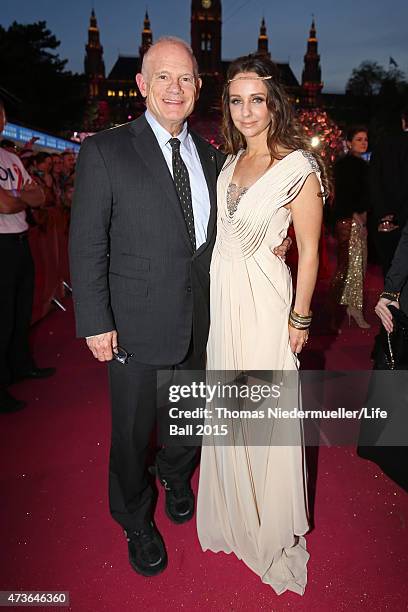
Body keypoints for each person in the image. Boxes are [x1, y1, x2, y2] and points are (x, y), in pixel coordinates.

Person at [196, 54, 326, 595]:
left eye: (256, 99)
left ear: (274, 102)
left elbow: (312, 253)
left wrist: (300, 318)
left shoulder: (298, 166)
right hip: (225, 299)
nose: (246, 111)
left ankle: (268, 524)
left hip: (268, 302)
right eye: (235, 99)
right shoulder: (227, 164)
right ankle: (234, 512)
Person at [0, 98, 55, 413]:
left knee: (21, 311)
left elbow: (40, 195)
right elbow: (7, 205)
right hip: (2, 244)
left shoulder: (10, 158)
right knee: (3, 316)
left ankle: (21, 365)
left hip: (20, 241)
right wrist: (22, 197)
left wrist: (17, 196)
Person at [329, 126, 371, 329]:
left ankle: (353, 309)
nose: (364, 143)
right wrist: (358, 219)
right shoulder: (344, 166)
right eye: (359, 139)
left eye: (365, 139)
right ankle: (335, 314)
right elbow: (346, 196)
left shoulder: (362, 165)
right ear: (348, 143)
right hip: (348, 221)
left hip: (357, 220)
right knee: (346, 267)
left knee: (358, 267)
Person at [370, 106, 408, 276]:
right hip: (404, 219)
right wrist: (400, 217)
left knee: (390, 271)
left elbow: (373, 181)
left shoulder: (382, 145)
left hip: (384, 222)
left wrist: (384, 215)